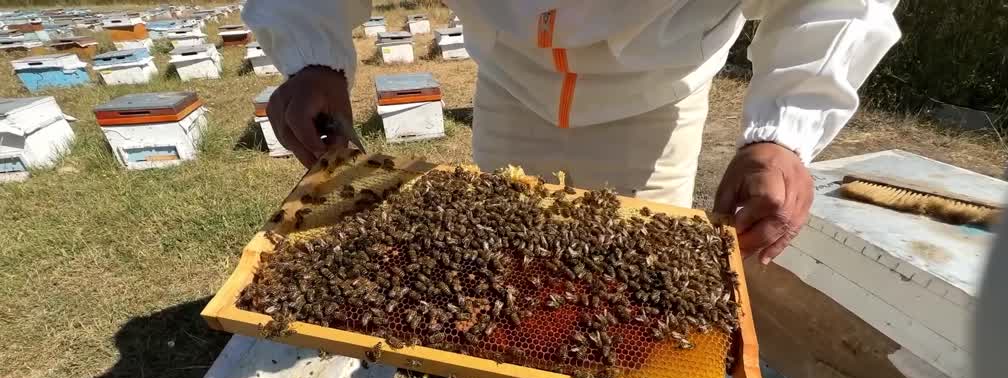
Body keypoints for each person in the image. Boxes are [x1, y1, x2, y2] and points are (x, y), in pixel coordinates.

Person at [243, 1, 900, 264]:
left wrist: (785, 127)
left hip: (655, 94)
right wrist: (310, 47)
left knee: (632, 285)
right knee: (496, 269)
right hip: (513, 80)